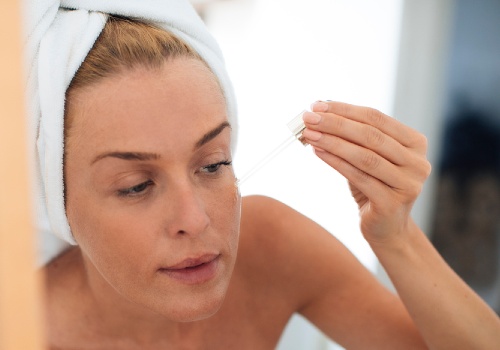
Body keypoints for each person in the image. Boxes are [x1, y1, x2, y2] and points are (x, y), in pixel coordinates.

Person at [27, 2, 500, 350]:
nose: (195, 219)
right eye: (136, 185)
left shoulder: (270, 245)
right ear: (56, 199)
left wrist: (397, 237)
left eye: (213, 164)